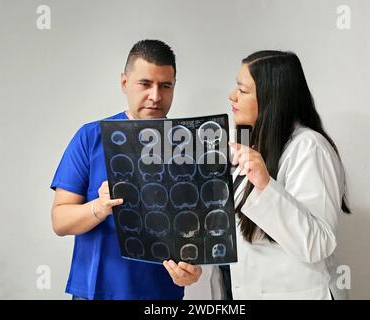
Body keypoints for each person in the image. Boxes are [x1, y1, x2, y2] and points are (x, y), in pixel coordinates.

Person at [50, 39, 201, 300]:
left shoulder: (191, 146)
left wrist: (195, 270)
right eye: (145, 84)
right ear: (124, 83)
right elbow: (60, 221)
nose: (155, 96)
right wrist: (100, 206)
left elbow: (201, 234)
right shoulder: (90, 137)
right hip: (96, 293)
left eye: (165, 86)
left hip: (161, 295)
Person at [221, 50, 351, 299]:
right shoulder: (252, 147)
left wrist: (265, 185)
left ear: (272, 99)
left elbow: (319, 243)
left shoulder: (309, 147)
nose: (232, 96)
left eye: (243, 90)